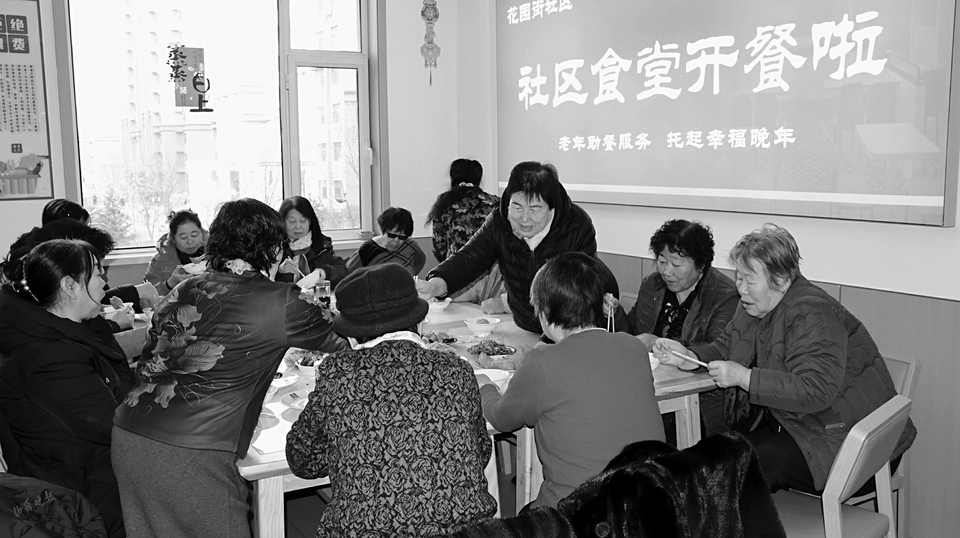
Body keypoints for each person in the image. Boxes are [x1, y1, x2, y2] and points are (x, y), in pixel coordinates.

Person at [112, 198, 347, 538]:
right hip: (192, 453)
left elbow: (152, 355)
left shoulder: (184, 288)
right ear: (273, 249)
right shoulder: (282, 299)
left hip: (130, 435)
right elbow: (344, 344)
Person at [654, 223, 917, 494]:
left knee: (733, 474)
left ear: (779, 280)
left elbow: (815, 391)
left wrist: (744, 378)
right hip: (799, 425)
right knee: (711, 459)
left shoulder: (812, 313)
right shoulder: (752, 306)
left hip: (851, 443)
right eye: (738, 278)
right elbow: (724, 348)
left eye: (749, 280)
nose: (740, 289)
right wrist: (688, 356)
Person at [286, 263, 496, 536]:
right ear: (418, 320)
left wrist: (350, 452)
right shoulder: (457, 370)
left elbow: (301, 459)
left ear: (351, 335)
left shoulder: (338, 374)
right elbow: (480, 452)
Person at [477, 252, 664, 509]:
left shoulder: (542, 361)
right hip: (648, 504)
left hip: (581, 513)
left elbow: (501, 419)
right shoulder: (634, 347)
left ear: (543, 313)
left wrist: (485, 386)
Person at [0, 239, 134, 538]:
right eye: (97, 273)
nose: (104, 282)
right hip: (83, 495)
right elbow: (112, 425)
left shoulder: (71, 330)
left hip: (94, 470)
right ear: (70, 286)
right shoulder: (48, 355)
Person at [417, 161, 618, 335]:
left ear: (552, 207)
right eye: (517, 207)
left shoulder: (575, 225)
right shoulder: (500, 221)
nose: (524, 218)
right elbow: (471, 257)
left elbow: (578, 291)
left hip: (567, 330)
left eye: (535, 209)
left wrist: (549, 341)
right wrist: (437, 284)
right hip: (524, 325)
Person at [604, 219, 738, 437]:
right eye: (661, 261)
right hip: (648, 386)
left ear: (700, 265)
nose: (666, 272)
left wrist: (659, 343)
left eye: (676, 264)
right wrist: (615, 313)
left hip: (699, 399)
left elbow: (716, 351)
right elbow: (633, 335)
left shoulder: (724, 296)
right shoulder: (653, 285)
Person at [426, 159, 502, 303]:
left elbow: (439, 245)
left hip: (455, 274)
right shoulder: (495, 203)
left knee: (457, 314)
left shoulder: (445, 204)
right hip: (489, 275)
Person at [276, 196, 349, 287]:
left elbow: (343, 273)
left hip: (318, 295)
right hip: (286, 296)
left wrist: (326, 271)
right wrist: (279, 270)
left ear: (310, 221)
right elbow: (263, 282)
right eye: (292, 221)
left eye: (303, 221)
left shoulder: (322, 245)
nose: (298, 226)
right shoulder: (274, 247)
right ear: (282, 222)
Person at [346, 207, 426, 277]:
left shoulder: (411, 246)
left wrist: (410, 275)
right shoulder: (367, 250)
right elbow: (349, 274)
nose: (396, 240)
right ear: (383, 230)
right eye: (392, 235)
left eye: (402, 237)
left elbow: (420, 261)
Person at [143, 209, 207, 295]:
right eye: (183, 237)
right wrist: (169, 284)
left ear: (202, 233)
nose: (190, 242)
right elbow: (146, 296)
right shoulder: (160, 261)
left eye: (194, 235)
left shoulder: (215, 254)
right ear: (173, 239)